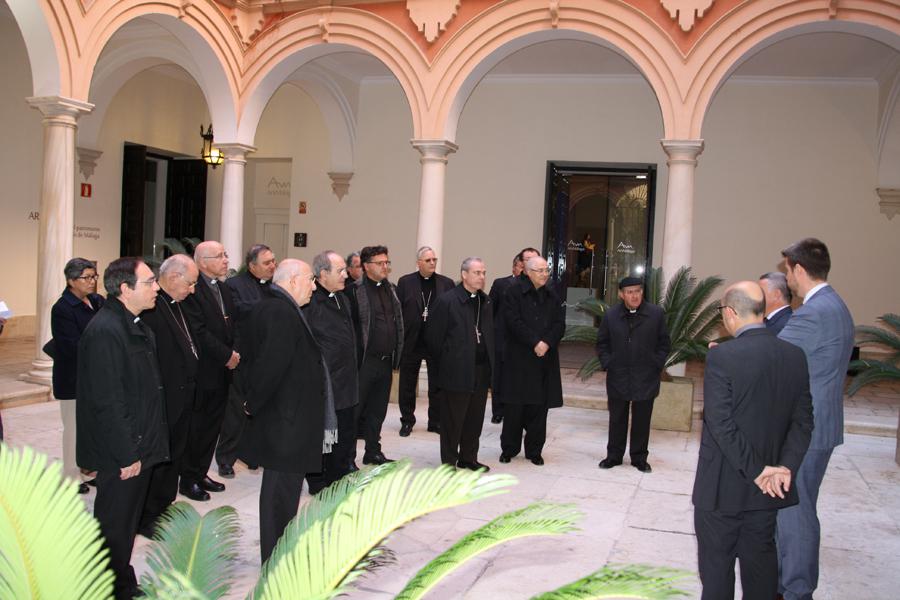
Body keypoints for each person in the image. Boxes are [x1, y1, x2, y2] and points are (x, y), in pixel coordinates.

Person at [692, 281, 813, 600]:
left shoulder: (722, 357)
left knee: (717, 573)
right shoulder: (794, 356)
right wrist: (784, 467)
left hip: (722, 490)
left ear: (731, 313)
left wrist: (758, 470)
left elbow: (721, 423)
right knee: (760, 569)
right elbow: (803, 422)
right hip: (769, 490)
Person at [76, 257, 168, 599]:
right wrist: (127, 453)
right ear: (125, 289)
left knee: (125, 523)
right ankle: (109, 588)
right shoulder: (106, 331)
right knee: (115, 525)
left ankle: (121, 582)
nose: (156, 288)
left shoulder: (130, 322)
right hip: (123, 451)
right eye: (149, 282)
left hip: (138, 442)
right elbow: (107, 401)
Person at [776, 238, 854, 600]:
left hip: (809, 429)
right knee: (797, 505)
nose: (786, 277)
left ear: (799, 269)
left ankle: (797, 589)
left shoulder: (813, 312)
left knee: (795, 510)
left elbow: (775, 356)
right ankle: (785, 583)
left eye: (787, 270)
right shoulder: (834, 304)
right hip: (822, 424)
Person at [238, 259, 329, 564]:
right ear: (292, 281)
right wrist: (253, 403)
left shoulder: (281, 308)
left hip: (289, 418)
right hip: (285, 421)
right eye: (310, 280)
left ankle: (280, 550)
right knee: (279, 492)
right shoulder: (279, 311)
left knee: (286, 491)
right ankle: (274, 558)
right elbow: (269, 366)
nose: (314, 287)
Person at [138, 254, 200, 538]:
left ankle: (165, 507)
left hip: (182, 395)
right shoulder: (152, 308)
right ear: (174, 277)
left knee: (174, 455)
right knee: (159, 459)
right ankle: (148, 515)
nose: (193, 290)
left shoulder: (177, 304)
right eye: (190, 283)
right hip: (162, 398)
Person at [180, 240, 238, 501]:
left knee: (213, 426)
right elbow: (198, 331)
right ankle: (188, 478)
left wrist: (234, 353)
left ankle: (201, 472)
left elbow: (232, 325)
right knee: (198, 427)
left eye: (225, 255)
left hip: (224, 370)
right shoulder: (193, 289)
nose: (226, 260)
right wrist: (227, 355)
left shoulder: (223, 288)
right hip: (204, 369)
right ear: (202, 262)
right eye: (220, 256)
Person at [596, 276, 671, 473]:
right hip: (618, 375)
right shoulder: (611, 315)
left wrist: (656, 363)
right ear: (621, 294)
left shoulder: (655, 314)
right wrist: (608, 363)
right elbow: (602, 343)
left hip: (646, 375)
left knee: (642, 420)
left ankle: (639, 458)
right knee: (617, 418)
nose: (635, 295)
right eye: (630, 292)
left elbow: (664, 343)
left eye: (638, 291)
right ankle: (614, 456)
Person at [427, 257, 494, 471]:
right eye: (477, 273)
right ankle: (448, 462)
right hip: (456, 371)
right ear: (464, 275)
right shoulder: (447, 301)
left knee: (474, 418)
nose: (482, 277)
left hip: (480, 370)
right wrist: (446, 366)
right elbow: (434, 340)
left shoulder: (485, 301)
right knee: (453, 420)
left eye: (483, 273)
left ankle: (468, 457)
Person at [216, 243, 276, 478]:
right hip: (243, 358)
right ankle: (225, 458)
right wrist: (269, 307)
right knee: (235, 412)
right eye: (266, 262)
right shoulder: (235, 285)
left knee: (260, 409)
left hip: (265, 357)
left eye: (273, 261)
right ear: (251, 266)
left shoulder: (274, 286)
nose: (272, 266)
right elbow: (238, 311)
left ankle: (252, 454)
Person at [499, 256, 564, 466]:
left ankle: (534, 451)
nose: (545, 274)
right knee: (514, 409)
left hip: (544, 359)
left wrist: (546, 343)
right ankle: (509, 449)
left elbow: (559, 324)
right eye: (540, 270)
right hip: (519, 358)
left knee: (539, 409)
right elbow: (512, 322)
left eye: (546, 270)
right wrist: (535, 342)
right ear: (527, 272)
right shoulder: (513, 292)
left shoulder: (552, 294)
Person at [305, 250, 359, 493]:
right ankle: (317, 480)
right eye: (340, 271)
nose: (345, 275)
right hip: (326, 383)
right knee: (323, 434)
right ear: (323, 274)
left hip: (347, 380)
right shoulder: (311, 301)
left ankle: (338, 475)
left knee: (344, 432)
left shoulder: (342, 298)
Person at [50, 257, 105, 494]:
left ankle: (89, 469)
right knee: (73, 428)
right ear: (71, 281)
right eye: (86, 277)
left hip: (95, 376)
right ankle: (72, 476)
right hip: (73, 378)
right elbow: (70, 346)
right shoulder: (62, 308)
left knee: (92, 427)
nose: (92, 281)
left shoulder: (97, 301)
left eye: (94, 276)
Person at [348, 245, 404, 465]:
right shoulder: (354, 291)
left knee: (377, 411)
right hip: (364, 362)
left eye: (387, 262)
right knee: (355, 412)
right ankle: (348, 458)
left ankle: (373, 451)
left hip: (385, 361)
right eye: (380, 263)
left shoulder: (391, 289)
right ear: (366, 266)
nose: (385, 267)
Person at [396, 246, 454, 436]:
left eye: (434, 260)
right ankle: (407, 421)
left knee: (437, 385)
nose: (432, 263)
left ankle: (435, 422)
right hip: (412, 341)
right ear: (418, 263)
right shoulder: (405, 282)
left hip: (436, 342)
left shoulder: (446, 283)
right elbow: (399, 312)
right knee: (407, 384)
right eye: (428, 260)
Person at [488, 247, 540, 424]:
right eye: (525, 260)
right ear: (517, 265)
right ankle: (498, 411)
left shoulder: (541, 286)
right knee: (498, 375)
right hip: (502, 338)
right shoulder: (501, 284)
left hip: (527, 341)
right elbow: (491, 310)